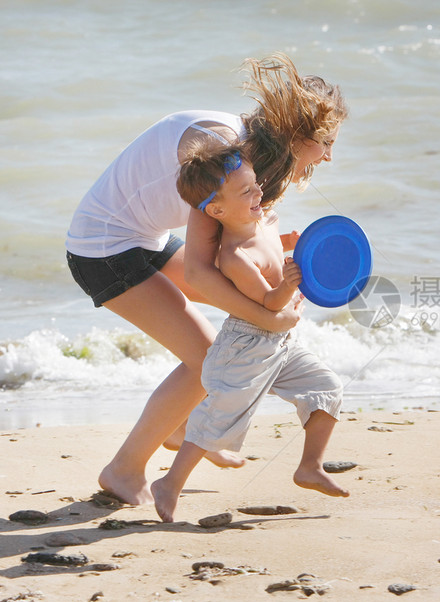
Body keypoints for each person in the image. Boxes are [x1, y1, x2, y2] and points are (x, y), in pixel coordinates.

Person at [65, 53, 348, 505]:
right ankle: (124, 470)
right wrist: (269, 317)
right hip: (105, 249)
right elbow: (202, 269)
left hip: (144, 238)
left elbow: (234, 250)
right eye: (326, 142)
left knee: (225, 336)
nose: (329, 155)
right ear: (299, 134)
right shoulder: (223, 153)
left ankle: (179, 428)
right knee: (208, 361)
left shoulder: (247, 154)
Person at [151, 142, 348, 522]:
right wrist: (289, 286)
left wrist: (294, 245)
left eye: (255, 184)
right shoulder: (234, 256)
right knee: (218, 418)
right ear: (217, 210)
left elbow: (274, 247)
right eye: (247, 191)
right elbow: (269, 305)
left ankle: (310, 466)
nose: (259, 192)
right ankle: (169, 484)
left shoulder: (266, 220)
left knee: (327, 388)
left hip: (281, 343)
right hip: (245, 344)